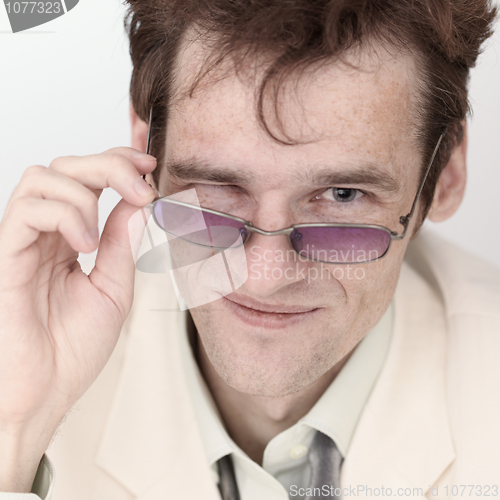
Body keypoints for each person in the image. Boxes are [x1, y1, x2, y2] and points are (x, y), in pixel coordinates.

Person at [0, 0, 499, 499]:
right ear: (144, 148)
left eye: (343, 195)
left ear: (447, 174)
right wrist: (15, 430)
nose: (265, 275)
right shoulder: (35, 343)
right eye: (216, 187)